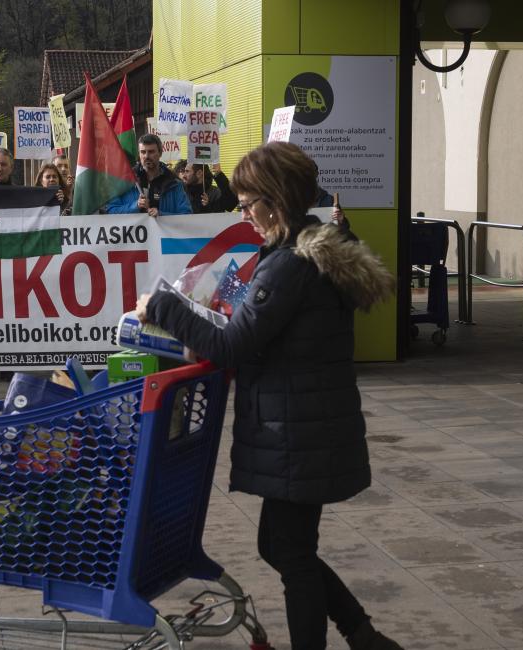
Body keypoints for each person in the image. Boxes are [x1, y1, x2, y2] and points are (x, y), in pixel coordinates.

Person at [135, 142, 401, 650]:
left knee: (291, 554)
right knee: (281, 546)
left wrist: (165, 307)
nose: (244, 214)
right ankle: (364, 635)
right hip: (307, 424)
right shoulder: (305, 252)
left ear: (274, 202)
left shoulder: (289, 266)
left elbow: (231, 346)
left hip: (297, 430)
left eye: (247, 203)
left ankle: (358, 636)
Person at [104, 134, 191, 216]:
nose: (146, 156)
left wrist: (161, 215)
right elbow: (111, 211)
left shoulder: (174, 183)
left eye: (151, 151)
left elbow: (186, 215)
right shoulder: (124, 181)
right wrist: (135, 206)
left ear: (160, 153)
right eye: (143, 152)